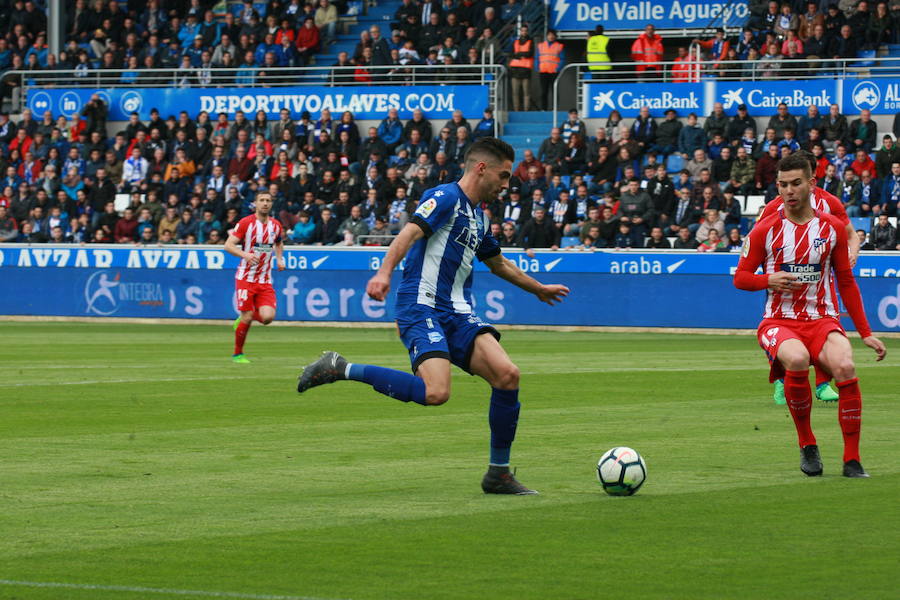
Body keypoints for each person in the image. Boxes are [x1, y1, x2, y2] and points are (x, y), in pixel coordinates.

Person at [295, 138, 570, 495]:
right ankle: (340, 367)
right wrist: (383, 273)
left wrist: (537, 288)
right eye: (503, 176)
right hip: (420, 304)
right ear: (481, 168)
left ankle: (498, 474)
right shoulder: (445, 198)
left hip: (457, 311)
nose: (506, 185)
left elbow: (498, 262)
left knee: (508, 375)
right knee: (436, 392)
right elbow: (409, 232)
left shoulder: (479, 217)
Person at [733, 152, 886, 478]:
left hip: (822, 319)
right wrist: (768, 279)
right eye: (783, 185)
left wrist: (866, 331)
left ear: (811, 184)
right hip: (778, 320)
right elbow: (741, 278)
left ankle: (852, 460)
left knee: (845, 365)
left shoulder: (830, 227)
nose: (789, 191)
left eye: (796, 183)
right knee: (798, 358)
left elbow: (846, 282)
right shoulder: (765, 230)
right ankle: (807, 444)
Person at [757, 150, 859, 404]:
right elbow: (757, 237)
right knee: (782, 329)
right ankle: (782, 381)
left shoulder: (830, 203)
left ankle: (823, 384)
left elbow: (851, 234)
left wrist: (851, 253)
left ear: (813, 177)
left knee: (825, 327)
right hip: (786, 283)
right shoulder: (775, 206)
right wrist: (767, 275)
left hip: (819, 276)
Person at [223, 192, 285, 364]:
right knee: (248, 316)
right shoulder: (245, 223)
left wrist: (280, 259)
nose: (265, 203)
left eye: (268, 201)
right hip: (246, 278)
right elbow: (228, 245)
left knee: (267, 318)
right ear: (255, 204)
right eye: (262, 201)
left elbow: (279, 242)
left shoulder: (276, 225)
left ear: (271, 204)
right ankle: (238, 354)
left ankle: (242, 320)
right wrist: (245, 255)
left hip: (264, 280)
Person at [537, 30, 564, 111]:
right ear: (546, 36)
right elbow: (537, 58)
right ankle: (543, 108)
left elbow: (562, 59)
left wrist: (558, 69)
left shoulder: (559, 46)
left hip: (554, 72)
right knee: (543, 91)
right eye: (549, 35)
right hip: (543, 71)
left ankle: (554, 108)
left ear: (555, 36)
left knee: (554, 91)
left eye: (552, 35)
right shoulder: (541, 45)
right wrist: (537, 67)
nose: (551, 37)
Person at [509, 24, 534, 111]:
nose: (524, 32)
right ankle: (516, 109)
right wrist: (523, 54)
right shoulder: (515, 42)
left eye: (525, 30)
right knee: (515, 93)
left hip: (526, 70)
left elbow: (530, 53)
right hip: (515, 70)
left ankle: (526, 110)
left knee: (526, 93)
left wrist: (519, 54)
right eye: (522, 30)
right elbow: (511, 54)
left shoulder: (531, 41)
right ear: (520, 31)